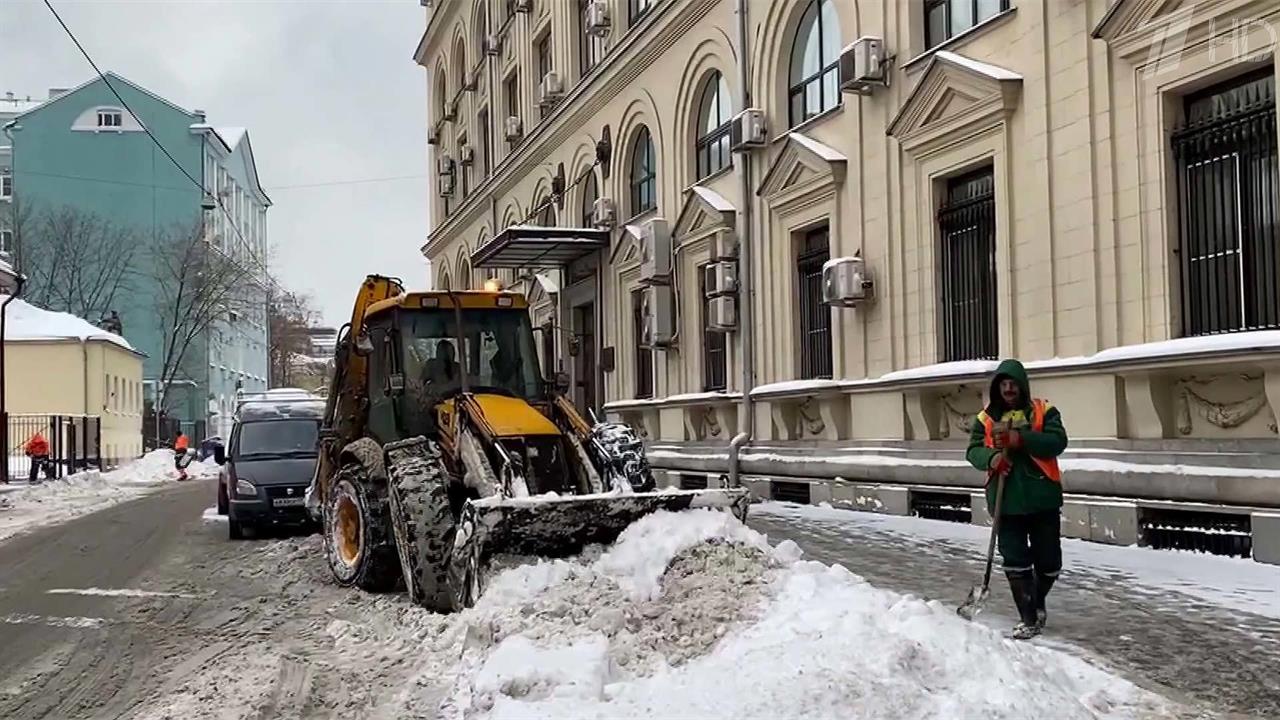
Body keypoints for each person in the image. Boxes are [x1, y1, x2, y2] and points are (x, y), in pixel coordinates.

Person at [965, 359, 1068, 640]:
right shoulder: (985, 419)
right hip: (1005, 500)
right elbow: (973, 450)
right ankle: (1028, 617)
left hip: (1042, 498)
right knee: (1015, 560)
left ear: (1022, 386)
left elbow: (1057, 441)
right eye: (1003, 385)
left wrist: (1020, 439)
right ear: (997, 388)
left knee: (1050, 563)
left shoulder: (1043, 410)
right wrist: (993, 457)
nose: (1008, 389)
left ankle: (1036, 598)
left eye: (1013, 384)